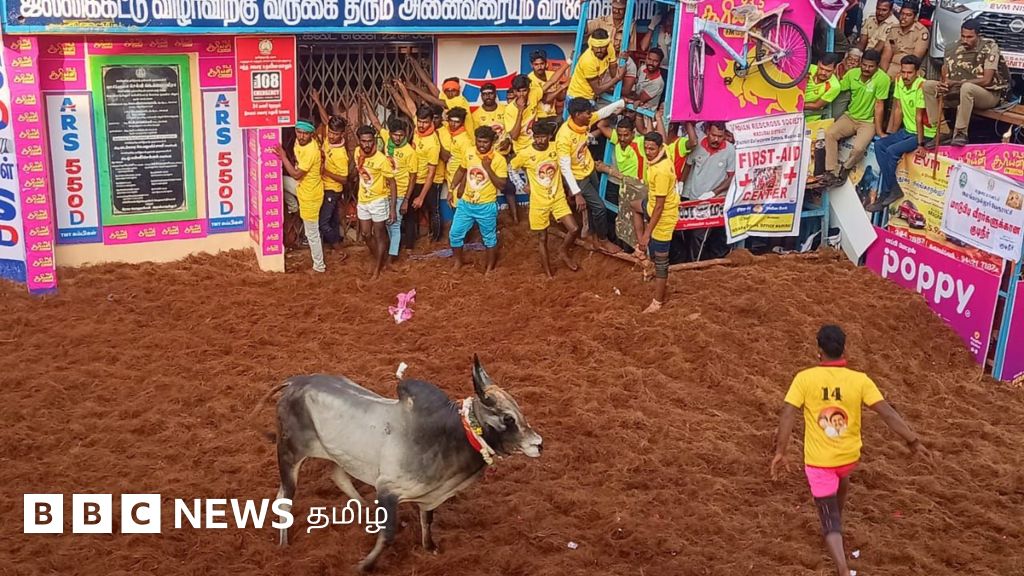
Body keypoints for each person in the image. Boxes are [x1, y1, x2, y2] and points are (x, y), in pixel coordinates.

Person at [771, 324, 928, 576]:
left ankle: (842, 568)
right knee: (842, 477)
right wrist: (913, 441)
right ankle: (838, 517)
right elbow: (887, 413)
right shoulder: (860, 380)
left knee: (828, 518)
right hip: (848, 458)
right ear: (844, 350)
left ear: (819, 351)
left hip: (819, 462)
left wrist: (781, 451)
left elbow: (788, 412)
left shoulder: (804, 379)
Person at [923, 19, 1009, 147]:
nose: (965, 40)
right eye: (963, 36)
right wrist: (944, 84)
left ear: (978, 36)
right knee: (928, 86)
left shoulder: (989, 47)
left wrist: (956, 83)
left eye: (969, 37)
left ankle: (961, 133)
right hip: (959, 91)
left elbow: (987, 80)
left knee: (967, 87)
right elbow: (946, 75)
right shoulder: (952, 48)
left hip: (989, 93)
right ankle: (942, 131)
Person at [510, 120, 581, 277]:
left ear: (549, 136)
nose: (540, 140)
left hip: (558, 198)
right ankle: (548, 272)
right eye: (537, 137)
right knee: (542, 238)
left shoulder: (556, 147)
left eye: (543, 137)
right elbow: (511, 168)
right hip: (538, 202)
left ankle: (563, 251)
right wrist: (521, 185)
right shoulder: (525, 153)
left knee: (574, 229)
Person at [556, 97, 625, 255]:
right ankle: (603, 240)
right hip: (578, 178)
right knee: (600, 207)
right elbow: (565, 168)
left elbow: (602, 113)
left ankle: (592, 236)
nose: (590, 116)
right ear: (577, 114)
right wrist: (577, 193)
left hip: (590, 169)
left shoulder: (583, 121)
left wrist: (621, 103)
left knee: (594, 206)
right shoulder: (564, 137)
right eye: (588, 113)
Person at [870, 56, 934, 211]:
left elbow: (919, 117)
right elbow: (898, 109)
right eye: (903, 72)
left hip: (924, 133)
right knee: (879, 144)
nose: (906, 76)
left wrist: (920, 144)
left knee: (892, 151)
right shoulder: (899, 81)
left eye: (909, 73)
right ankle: (893, 188)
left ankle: (887, 191)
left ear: (917, 72)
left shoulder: (922, 86)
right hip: (907, 130)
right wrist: (892, 134)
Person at [820, 49, 890, 188]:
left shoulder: (883, 79)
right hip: (850, 116)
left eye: (871, 66)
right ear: (860, 63)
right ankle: (831, 171)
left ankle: (845, 168)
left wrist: (879, 131)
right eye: (864, 65)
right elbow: (838, 88)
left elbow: (879, 105)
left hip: (868, 122)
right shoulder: (852, 74)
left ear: (877, 66)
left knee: (858, 148)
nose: (866, 68)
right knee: (830, 134)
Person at [630, 132, 679, 313]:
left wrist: (646, 235)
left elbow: (660, 207)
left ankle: (657, 302)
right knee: (634, 205)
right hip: (651, 205)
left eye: (652, 149)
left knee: (661, 262)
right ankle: (643, 256)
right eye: (646, 148)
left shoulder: (661, 171)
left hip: (663, 216)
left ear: (659, 148)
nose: (648, 152)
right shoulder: (664, 152)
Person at [449, 126, 508, 273]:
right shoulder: (469, 152)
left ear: (492, 142)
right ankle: (458, 262)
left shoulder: (499, 160)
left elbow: (502, 185)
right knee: (454, 234)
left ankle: (489, 268)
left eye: (485, 142)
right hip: (466, 204)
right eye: (479, 141)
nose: (481, 145)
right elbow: (462, 170)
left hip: (486, 206)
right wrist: (452, 188)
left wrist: (487, 168)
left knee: (489, 239)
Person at [275, 120, 326, 273]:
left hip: (311, 195)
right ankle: (294, 207)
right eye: (299, 132)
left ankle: (319, 266)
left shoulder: (311, 151)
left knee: (312, 233)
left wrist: (283, 157)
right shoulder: (299, 142)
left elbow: (296, 174)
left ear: (311, 134)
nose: (302, 136)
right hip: (301, 188)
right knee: (278, 182)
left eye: (305, 133)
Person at [681, 121, 734, 261]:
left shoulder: (730, 150)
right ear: (708, 132)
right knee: (690, 234)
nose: (716, 139)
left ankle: (697, 264)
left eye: (720, 136)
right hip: (694, 199)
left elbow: (731, 177)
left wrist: (714, 192)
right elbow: (688, 165)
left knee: (701, 236)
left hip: (715, 202)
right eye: (713, 135)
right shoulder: (698, 145)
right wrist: (681, 183)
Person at [595, 115, 646, 250]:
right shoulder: (618, 140)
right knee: (623, 221)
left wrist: (607, 169)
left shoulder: (640, 143)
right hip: (623, 188)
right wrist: (614, 112)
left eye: (626, 135)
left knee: (636, 223)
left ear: (633, 133)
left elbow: (656, 136)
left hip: (637, 189)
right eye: (620, 135)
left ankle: (638, 252)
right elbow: (601, 125)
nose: (622, 138)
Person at [354, 125, 396, 280]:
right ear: (359, 141)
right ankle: (380, 258)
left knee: (379, 234)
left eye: (370, 141)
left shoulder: (382, 160)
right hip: (363, 200)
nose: (367, 144)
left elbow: (392, 183)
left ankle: (377, 268)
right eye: (364, 141)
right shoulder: (357, 153)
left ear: (375, 141)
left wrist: (392, 208)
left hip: (379, 201)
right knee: (365, 234)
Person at [381, 117, 418, 263]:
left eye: (401, 135)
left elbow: (413, 178)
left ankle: (392, 256)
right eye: (395, 135)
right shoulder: (387, 142)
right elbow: (376, 123)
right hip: (385, 191)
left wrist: (406, 200)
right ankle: (393, 248)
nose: (398, 138)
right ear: (390, 134)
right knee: (388, 222)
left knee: (395, 223)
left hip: (401, 192)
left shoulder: (409, 152)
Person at [409, 104, 442, 249]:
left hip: (427, 182)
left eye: (425, 122)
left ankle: (435, 241)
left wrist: (421, 197)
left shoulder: (433, 143)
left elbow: (431, 173)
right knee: (410, 212)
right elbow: (411, 107)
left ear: (431, 121)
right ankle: (411, 243)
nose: (421, 125)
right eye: (419, 121)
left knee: (433, 211)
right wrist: (403, 91)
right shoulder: (417, 127)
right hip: (413, 179)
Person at [567, 28, 625, 106]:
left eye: (602, 47)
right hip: (577, 97)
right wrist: (617, 78)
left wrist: (623, 60)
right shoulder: (588, 60)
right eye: (596, 47)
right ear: (591, 45)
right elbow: (598, 90)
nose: (599, 50)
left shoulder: (610, 48)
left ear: (607, 45)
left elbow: (613, 71)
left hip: (591, 96)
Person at [882, 2, 929, 80]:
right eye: (902, 14)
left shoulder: (921, 32)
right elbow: (886, 56)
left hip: (910, 69)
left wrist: (900, 75)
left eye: (908, 15)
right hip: (892, 66)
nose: (904, 17)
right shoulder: (894, 29)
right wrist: (882, 75)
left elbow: (915, 60)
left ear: (915, 17)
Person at [439, 107, 473, 211]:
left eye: (457, 122)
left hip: (460, 180)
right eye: (451, 121)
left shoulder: (465, 140)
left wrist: (462, 186)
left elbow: (469, 166)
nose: (453, 124)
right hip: (451, 179)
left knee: (461, 210)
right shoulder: (449, 131)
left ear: (462, 122)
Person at [528, 50, 570, 121]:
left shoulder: (551, 74)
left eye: (542, 64)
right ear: (531, 65)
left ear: (546, 64)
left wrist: (566, 88)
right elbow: (546, 99)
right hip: (538, 117)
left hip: (552, 115)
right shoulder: (529, 80)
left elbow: (560, 98)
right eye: (536, 64)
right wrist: (562, 87)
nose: (539, 67)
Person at [804, 53, 842, 122]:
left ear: (835, 69)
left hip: (810, 119)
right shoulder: (808, 68)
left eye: (828, 71)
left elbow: (816, 106)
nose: (823, 73)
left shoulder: (834, 86)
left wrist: (795, 106)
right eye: (821, 68)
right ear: (818, 64)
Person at [627, 48, 666, 113]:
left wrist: (625, 94)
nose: (651, 63)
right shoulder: (643, 68)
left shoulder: (658, 83)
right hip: (634, 105)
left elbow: (640, 98)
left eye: (655, 61)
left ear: (660, 63)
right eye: (649, 59)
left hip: (646, 113)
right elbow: (635, 82)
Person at [831, 49, 862, 119]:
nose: (852, 62)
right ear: (845, 59)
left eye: (856, 61)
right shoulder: (839, 67)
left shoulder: (861, 71)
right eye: (850, 59)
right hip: (841, 92)